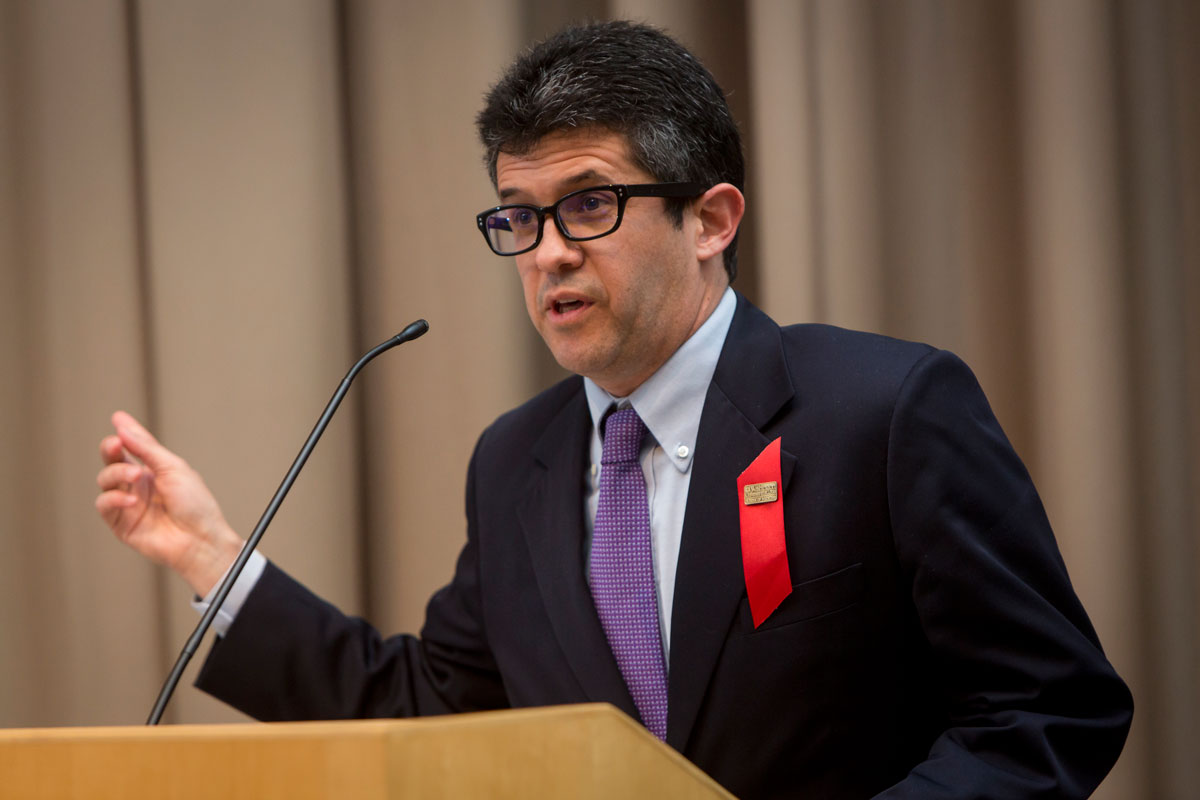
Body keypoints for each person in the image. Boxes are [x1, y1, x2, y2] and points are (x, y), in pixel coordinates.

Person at [96, 20, 1131, 799]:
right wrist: (213, 559)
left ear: (711, 218)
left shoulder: (883, 409)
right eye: (518, 215)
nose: (547, 250)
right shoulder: (516, 462)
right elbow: (429, 716)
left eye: (589, 203)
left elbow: (1047, 709)